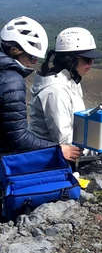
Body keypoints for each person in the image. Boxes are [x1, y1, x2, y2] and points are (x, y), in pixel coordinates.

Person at [29, 27, 102, 161]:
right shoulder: (55, 92)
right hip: (50, 163)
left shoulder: (71, 82)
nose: (91, 63)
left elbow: (78, 130)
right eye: (87, 59)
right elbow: (66, 143)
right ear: (70, 59)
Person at [0, 15, 80, 160]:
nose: (33, 63)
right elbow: (19, 139)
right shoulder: (12, 81)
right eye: (32, 57)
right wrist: (57, 149)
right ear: (15, 51)